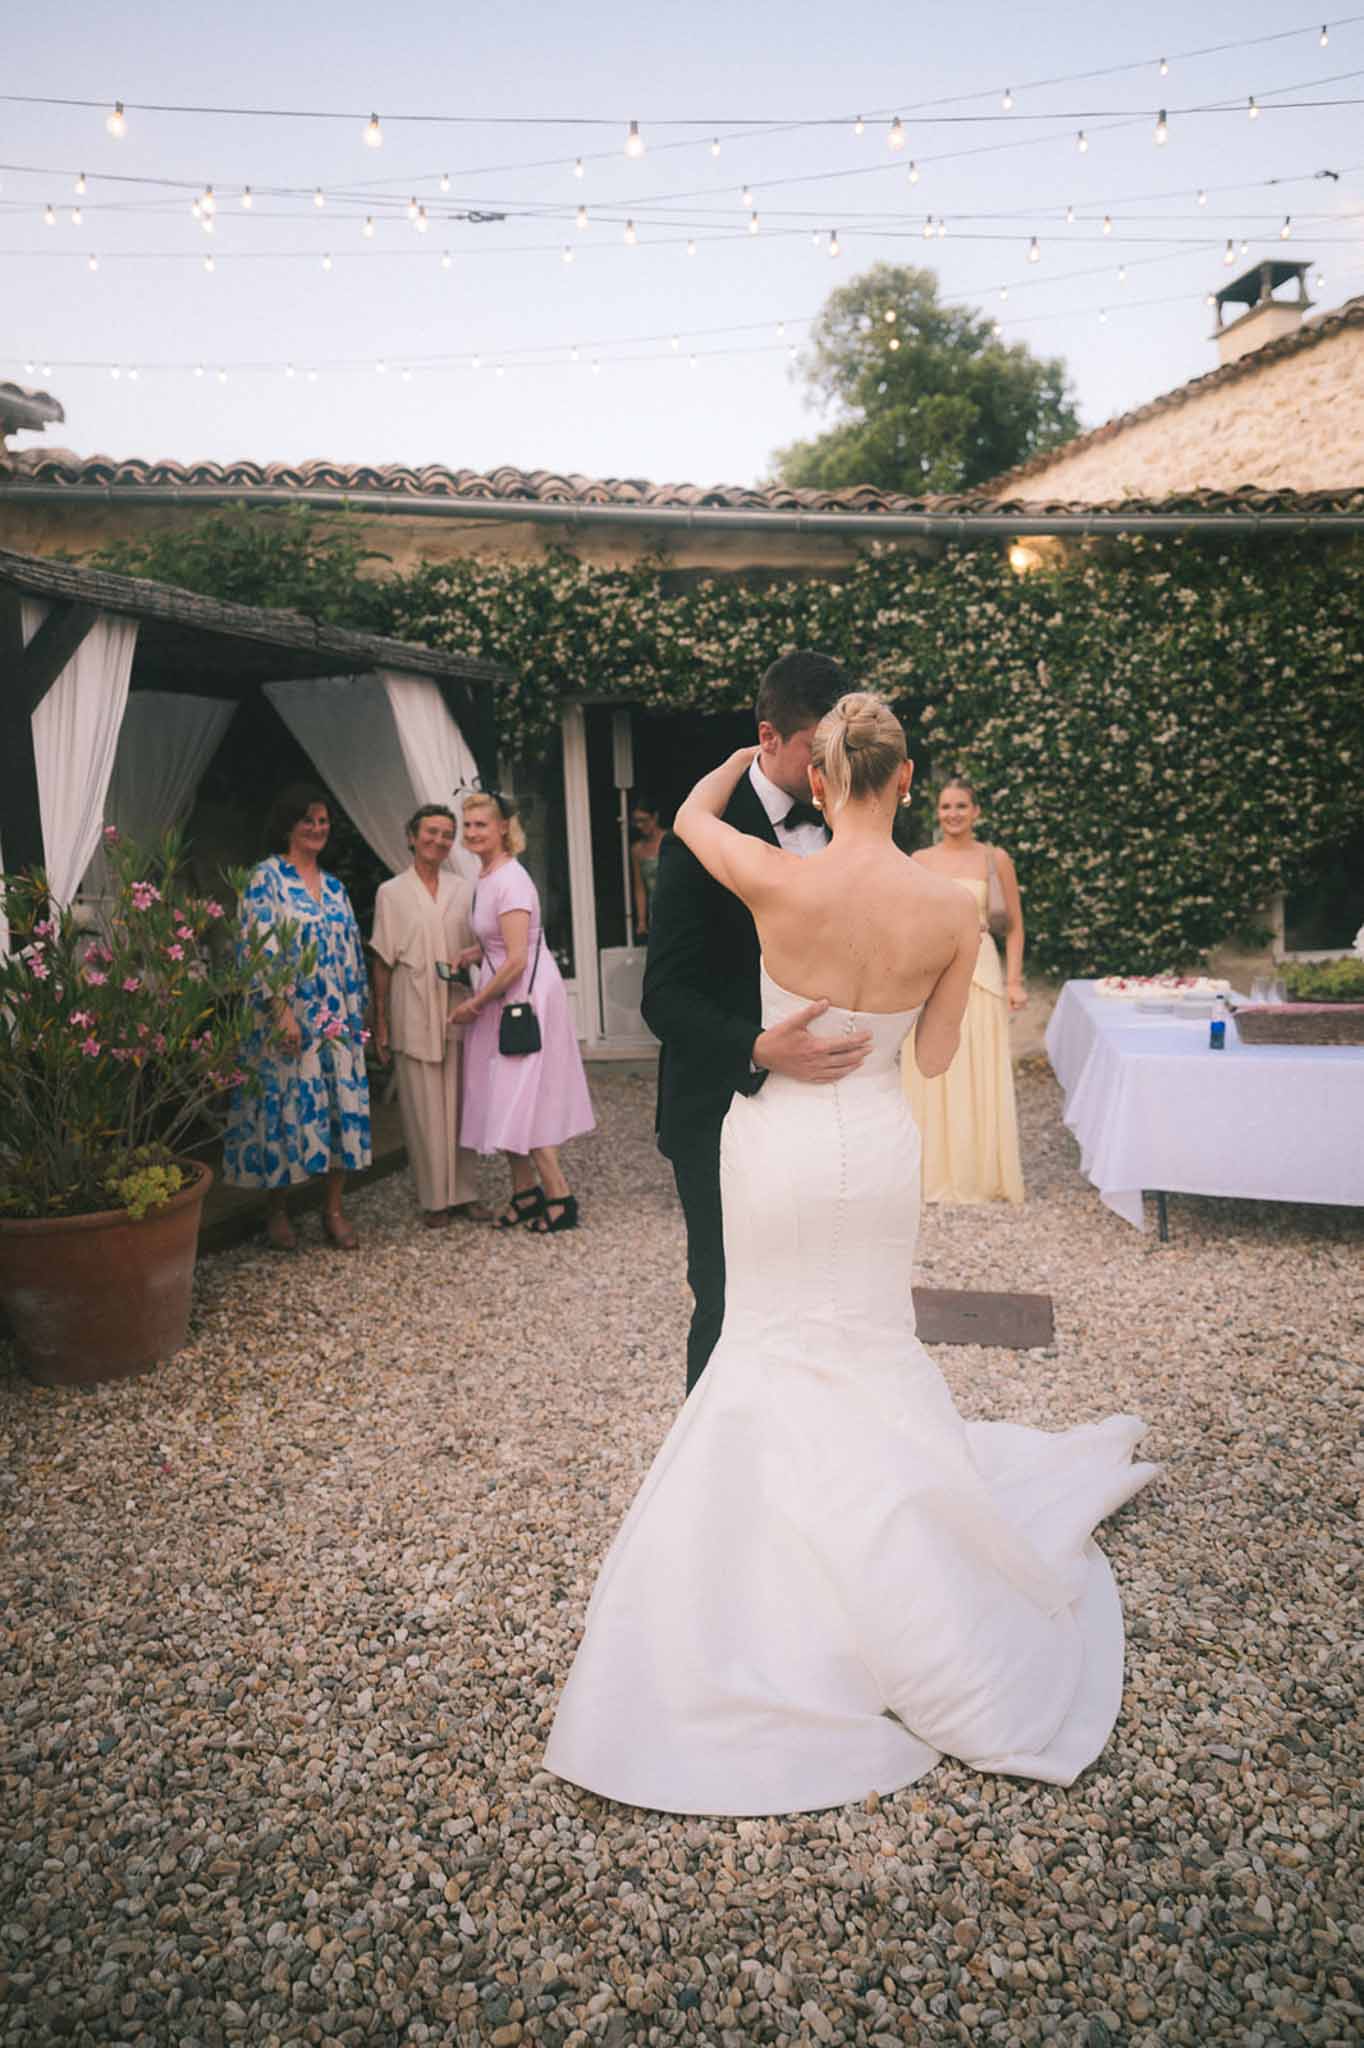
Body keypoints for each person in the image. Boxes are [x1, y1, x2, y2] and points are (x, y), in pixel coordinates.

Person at [545, 695, 1157, 1817]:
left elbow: (686, 818)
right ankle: (911, 1587)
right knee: (870, 1340)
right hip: (874, 1138)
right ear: (910, 778)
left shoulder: (778, 876)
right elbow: (927, 1057)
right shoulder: (953, 903)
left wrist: (732, 761)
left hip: (774, 1135)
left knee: (762, 1335)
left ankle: (757, 1591)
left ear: (819, 781)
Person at [641, 650, 867, 1394]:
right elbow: (663, 997)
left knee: (824, 1296)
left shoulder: (855, 819)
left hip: (827, 1107)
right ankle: (714, 1483)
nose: (830, 769)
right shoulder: (699, 834)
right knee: (728, 1297)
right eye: (815, 751)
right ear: (768, 738)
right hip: (721, 1107)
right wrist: (758, 1047)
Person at [223, 784, 372, 1251]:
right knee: (282, 1109)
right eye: (308, 820)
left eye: (324, 821)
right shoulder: (265, 879)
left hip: (336, 1019)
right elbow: (258, 947)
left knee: (337, 1109)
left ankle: (333, 1210)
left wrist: (357, 1013)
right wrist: (282, 1011)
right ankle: (278, 1211)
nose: (317, 828)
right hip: (287, 1017)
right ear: (289, 823)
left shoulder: (335, 887)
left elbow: (352, 954)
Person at [450, 791, 595, 1233]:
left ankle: (560, 1196)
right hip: (503, 996)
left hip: (521, 1001)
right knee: (501, 1095)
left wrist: (475, 1002)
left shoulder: (511, 879)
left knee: (520, 1098)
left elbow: (517, 959)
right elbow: (507, 944)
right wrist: (475, 952)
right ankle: (524, 1194)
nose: (473, 832)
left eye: (481, 825)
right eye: (468, 825)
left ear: (502, 829)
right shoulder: (488, 875)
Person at [903, 776, 1026, 1205]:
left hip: (982, 970)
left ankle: (978, 1174)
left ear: (976, 812)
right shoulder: (919, 859)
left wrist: (1013, 980)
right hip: (933, 973)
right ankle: (930, 1171)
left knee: (978, 1062)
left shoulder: (995, 858)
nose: (952, 814)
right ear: (936, 813)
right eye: (945, 807)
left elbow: (1014, 926)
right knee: (933, 1068)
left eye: (961, 806)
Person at [369, 804, 491, 1228]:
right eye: (431, 832)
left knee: (461, 1105)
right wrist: (379, 1020)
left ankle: (466, 1193)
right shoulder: (391, 892)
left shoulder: (465, 888)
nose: (438, 840)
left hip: (457, 1003)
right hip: (412, 1004)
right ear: (411, 836)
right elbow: (383, 961)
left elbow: (485, 945)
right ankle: (434, 1199)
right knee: (423, 1109)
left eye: (446, 834)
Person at [629, 796, 666, 940]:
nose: (639, 825)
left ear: (654, 817)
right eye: (636, 821)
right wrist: (642, 920)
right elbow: (640, 887)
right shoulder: (637, 850)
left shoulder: (669, 840)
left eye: (643, 820)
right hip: (655, 909)